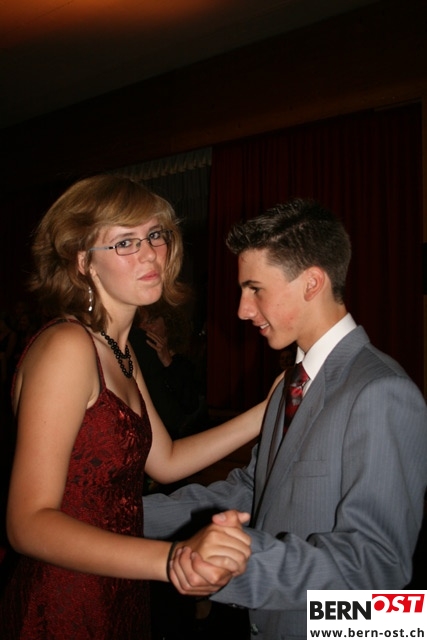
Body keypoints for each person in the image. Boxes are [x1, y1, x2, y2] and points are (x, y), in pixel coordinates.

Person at [0, 175, 275, 640]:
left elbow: (165, 462)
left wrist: (267, 410)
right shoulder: (68, 346)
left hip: (118, 590)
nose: (150, 254)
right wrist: (173, 559)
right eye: (125, 242)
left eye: (155, 235)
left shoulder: (119, 349)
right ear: (83, 262)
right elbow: (27, 524)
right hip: (62, 602)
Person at [143, 198, 427, 640]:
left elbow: (379, 566)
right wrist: (124, 515)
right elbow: (254, 490)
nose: (242, 309)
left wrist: (239, 566)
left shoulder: (381, 391)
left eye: (255, 288)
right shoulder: (292, 383)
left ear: (312, 282)